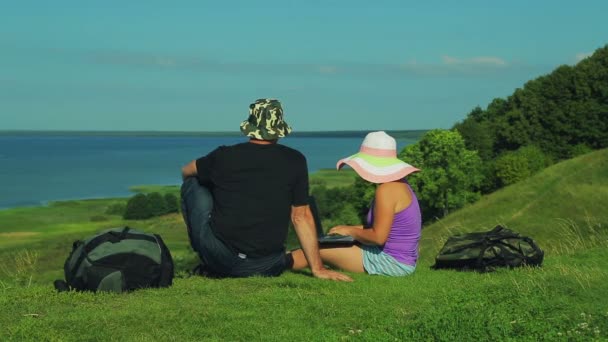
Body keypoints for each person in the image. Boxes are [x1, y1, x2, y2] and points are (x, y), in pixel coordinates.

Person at [180, 98, 351, 281]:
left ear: (250, 127)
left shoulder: (224, 156)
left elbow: (186, 171)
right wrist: (318, 269)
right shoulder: (295, 160)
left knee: (193, 183)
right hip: (269, 264)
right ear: (279, 129)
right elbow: (300, 216)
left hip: (221, 257)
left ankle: (206, 258)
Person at [290, 131, 422, 276]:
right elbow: (387, 228)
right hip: (402, 260)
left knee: (315, 249)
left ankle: (274, 266)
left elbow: (378, 237)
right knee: (320, 246)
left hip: (392, 263)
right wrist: (347, 228)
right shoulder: (400, 185)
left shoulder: (386, 190)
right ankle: (278, 260)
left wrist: (350, 231)